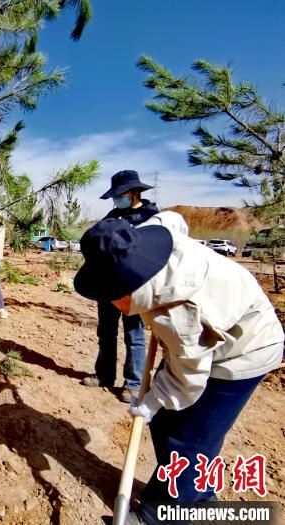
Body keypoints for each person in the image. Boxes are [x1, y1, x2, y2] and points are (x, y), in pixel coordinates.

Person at [74, 218, 283, 525]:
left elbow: (188, 381)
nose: (109, 302)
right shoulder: (156, 240)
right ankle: (198, 493)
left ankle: (157, 516)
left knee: (190, 439)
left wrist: (151, 402)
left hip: (244, 351)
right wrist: (156, 405)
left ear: (129, 290)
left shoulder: (176, 315)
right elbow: (171, 219)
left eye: (111, 295)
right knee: (166, 425)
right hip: (205, 340)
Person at [82, 170, 159, 403]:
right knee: (105, 331)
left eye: (120, 194)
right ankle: (104, 375)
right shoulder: (113, 214)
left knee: (134, 335)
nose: (117, 198)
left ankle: (133, 383)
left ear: (135, 192)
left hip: (133, 286)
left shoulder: (151, 216)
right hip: (108, 284)